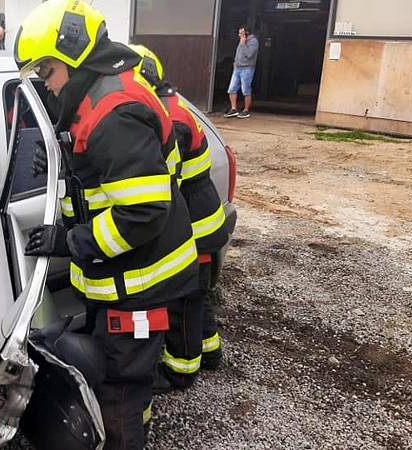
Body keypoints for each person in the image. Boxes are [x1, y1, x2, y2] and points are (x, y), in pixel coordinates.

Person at [15, 1, 199, 448]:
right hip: (124, 277)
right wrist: (67, 159)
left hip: (139, 282)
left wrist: (71, 240)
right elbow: (122, 179)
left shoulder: (112, 113)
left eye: (47, 72)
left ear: (74, 56)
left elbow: (141, 213)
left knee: (119, 389)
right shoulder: (103, 94)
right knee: (124, 384)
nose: (46, 84)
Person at [129, 45, 228, 392]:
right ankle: (210, 352)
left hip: (195, 227)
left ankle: (181, 371)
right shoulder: (170, 106)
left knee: (183, 303)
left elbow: (158, 179)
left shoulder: (167, 116)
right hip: (203, 218)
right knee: (198, 296)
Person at [224, 25, 259, 119]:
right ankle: (234, 109)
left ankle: (246, 110)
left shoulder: (253, 41)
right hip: (237, 68)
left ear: (246, 33)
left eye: (241, 33)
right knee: (232, 89)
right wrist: (235, 63)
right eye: (239, 33)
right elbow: (238, 53)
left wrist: (243, 44)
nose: (239, 35)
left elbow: (249, 55)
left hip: (247, 68)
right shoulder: (241, 41)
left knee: (246, 90)